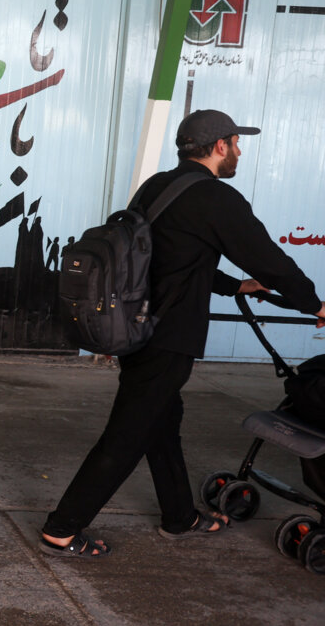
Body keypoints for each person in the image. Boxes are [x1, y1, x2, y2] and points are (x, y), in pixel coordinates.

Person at [40, 110, 325, 558]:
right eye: (235, 142)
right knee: (127, 435)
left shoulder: (157, 187)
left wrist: (235, 286)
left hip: (137, 328)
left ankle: (180, 516)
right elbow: (270, 261)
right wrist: (317, 306)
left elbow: (169, 258)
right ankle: (62, 527)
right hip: (169, 337)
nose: (239, 151)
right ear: (218, 146)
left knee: (162, 423)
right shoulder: (217, 199)